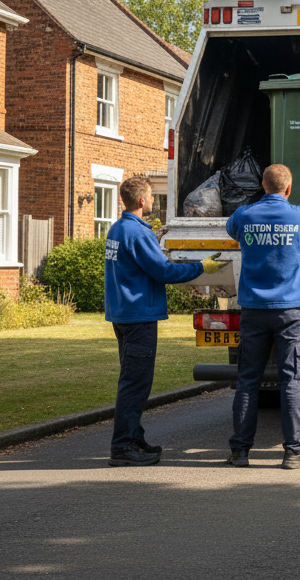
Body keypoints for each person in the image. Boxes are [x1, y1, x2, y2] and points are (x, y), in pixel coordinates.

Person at [224, 164, 300, 469]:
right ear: (288, 189)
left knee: (248, 380)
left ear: (263, 186)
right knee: (291, 380)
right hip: (289, 311)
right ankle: (294, 451)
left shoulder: (245, 216)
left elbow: (231, 227)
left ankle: (240, 452)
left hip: (253, 311)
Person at [104, 176, 225, 466]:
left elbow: (139, 266)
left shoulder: (118, 229)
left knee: (133, 381)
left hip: (123, 314)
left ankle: (134, 438)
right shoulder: (136, 233)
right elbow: (164, 273)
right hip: (139, 316)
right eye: (152, 198)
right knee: (135, 384)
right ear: (143, 201)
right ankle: (122, 447)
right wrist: (200, 267)